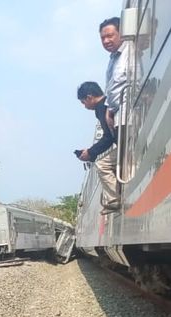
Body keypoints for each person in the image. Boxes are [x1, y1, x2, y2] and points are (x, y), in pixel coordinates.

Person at [76, 81, 119, 214]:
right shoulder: (108, 103)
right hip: (127, 142)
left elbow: (109, 137)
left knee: (102, 165)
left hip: (126, 145)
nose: (85, 106)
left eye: (84, 102)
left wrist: (90, 152)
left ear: (90, 97)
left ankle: (114, 200)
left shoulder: (102, 108)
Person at [100, 17, 128, 131]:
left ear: (122, 33)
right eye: (102, 38)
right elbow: (111, 89)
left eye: (110, 36)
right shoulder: (112, 59)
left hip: (129, 115)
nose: (106, 41)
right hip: (117, 117)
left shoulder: (131, 52)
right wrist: (109, 110)